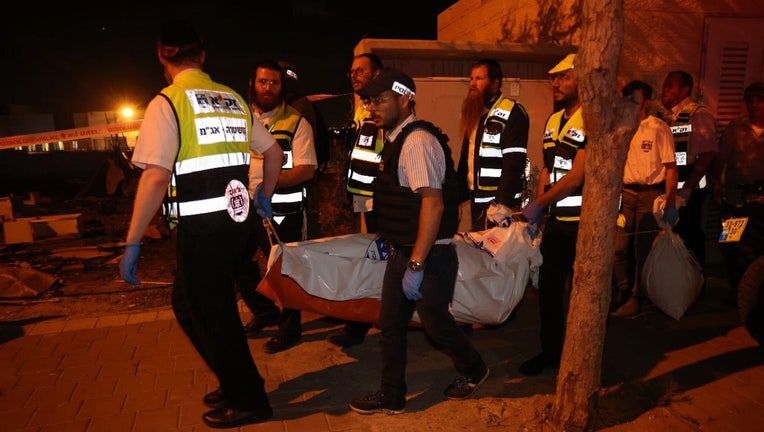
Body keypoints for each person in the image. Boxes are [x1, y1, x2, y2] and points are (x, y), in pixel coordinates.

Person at [118, 20, 281, 428]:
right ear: (202, 55)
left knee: (213, 314)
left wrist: (133, 242)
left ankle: (250, 399)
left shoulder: (168, 102)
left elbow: (155, 176)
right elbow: (274, 153)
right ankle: (233, 379)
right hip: (238, 226)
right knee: (190, 305)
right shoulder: (231, 98)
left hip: (203, 230)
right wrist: (263, 197)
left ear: (162, 55)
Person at [348, 68, 489, 415]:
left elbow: (433, 202)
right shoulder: (396, 139)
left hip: (428, 256)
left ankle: (474, 369)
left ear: (405, 98)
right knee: (391, 326)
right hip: (405, 252)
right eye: (369, 101)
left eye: (381, 100)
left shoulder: (417, 141)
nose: (372, 107)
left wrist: (415, 264)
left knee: (437, 326)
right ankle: (391, 395)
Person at [240, 60, 318, 353]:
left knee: (284, 270)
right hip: (242, 208)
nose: (268, 88)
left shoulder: (296, 122)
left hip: (281, 212)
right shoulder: (241, 118)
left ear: (282, 87)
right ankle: (264, 312)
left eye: (274, 83)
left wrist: (268, 187)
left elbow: (306, 170)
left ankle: (290, 330)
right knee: (238, 263)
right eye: (263, 82)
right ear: (252, 83)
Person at [517, 53, 587, 376]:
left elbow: (577, 176)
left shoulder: (591, 119)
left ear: (583, 79)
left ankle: (582, 358)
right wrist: (536, 204)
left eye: (563, 77)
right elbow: (547, 167)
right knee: (548, 289)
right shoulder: (553, 119)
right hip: (557, 223)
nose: (555, 83)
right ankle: (551, 353)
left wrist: (540, 203)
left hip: (585, 225)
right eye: (553, 78)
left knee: (584, 296)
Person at [327, 53, 384, 348]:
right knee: (374, 259)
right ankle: (362, 320)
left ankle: (361, 324)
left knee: (380, 261)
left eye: (360, 71)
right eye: (351, 71)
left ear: (378, 74)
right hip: (367, 201)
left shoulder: (386, 107)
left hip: (384, 202)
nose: (354, 75)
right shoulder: (362, 108)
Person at [610, 80, 679, 318]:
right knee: (618, 247)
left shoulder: (658, 128)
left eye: (635, 99)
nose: (630, 104)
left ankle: (639, 297)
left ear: (646, 102)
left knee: (643, 250)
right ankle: (623, 292)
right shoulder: (620, 127)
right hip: (625, 193)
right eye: (627, 99)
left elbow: (671, 168)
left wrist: (670, 204)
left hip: (650, 194)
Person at [456, 58, 529, 231]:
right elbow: (466, 160)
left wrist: (501, 205)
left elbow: (514, 163)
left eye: (479, 79)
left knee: (497, 257)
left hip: (500, 206)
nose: (472, 84)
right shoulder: (476, 113)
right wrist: (454, 198)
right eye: (471, 79)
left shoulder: (513, 112)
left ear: (495, 82)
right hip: (477, 204)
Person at [659, 70, 718, 270]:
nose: (664, 90)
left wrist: (687, 190)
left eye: (670, 86)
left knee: (689, 234)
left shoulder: (698, 115)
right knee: (670, 236)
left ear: (684, 90)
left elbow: (708, 154)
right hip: (668, 189)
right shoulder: (663, 117)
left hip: (690, 192)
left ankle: (695, 280)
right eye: (664, 85)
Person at [709, 82, 764, 296]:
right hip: (735, 197)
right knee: (731, 244)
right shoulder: (736, 127)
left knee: (757, 248)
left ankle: (755, 292)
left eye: (760, 100)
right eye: (750, 100)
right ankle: (736, 290)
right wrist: (716, 184)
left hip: (760, 199)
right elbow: (721, 159)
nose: (754, 105)